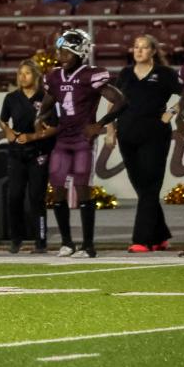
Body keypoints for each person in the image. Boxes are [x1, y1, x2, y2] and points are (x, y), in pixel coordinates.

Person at [39, 29, 127, 259]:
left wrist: (100, 124)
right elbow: (48, 102)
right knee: (57, 190)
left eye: (67, 52)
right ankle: (67, 243)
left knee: (82, 189)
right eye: (60, 51)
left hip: (82, 140)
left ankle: (88, 246)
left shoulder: (91, 75)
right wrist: (41, 118)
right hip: (62, 138)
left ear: (80, 53)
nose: (61, 56)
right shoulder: (54, 76)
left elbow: (120, 100)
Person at [114, 35, 182, 252]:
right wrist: (110, 130)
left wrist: (171, 112)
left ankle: (142, 240)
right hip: (126, 135)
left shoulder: (165, 73)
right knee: (143, 188)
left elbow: (183, 95)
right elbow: (115, 102)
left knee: (150, 185)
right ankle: (160, 235)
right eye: (136, 47)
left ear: (153, 51)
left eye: (144, 47)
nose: (139, 51)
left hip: (154, 135)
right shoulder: (125, 74)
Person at [0, 60, 57, 254]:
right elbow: (3, 120)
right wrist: (8, 131)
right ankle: (16, 239)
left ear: (36, 76)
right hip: (16, 153)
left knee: (36, 197)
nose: (22, 77)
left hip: (38, 153)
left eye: (27, 73)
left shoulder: (46, 98)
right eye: (20, 73)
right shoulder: (11, 98)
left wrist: (33, 136)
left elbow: (54, 127)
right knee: (14, 196)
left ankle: (41, 240)